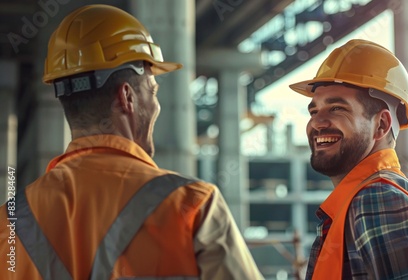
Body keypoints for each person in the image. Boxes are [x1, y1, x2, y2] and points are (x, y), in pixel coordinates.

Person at [0, 4, 263, 280]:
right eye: (153, 92)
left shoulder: (11, 222)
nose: (158, 106)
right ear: (127, 98)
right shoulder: (193, 207)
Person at [289, 39, 408, 279]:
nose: (317, 123)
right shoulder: (367, 199)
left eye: (337, 108)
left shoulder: (380, 200)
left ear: (381, 125)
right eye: (314, 111)